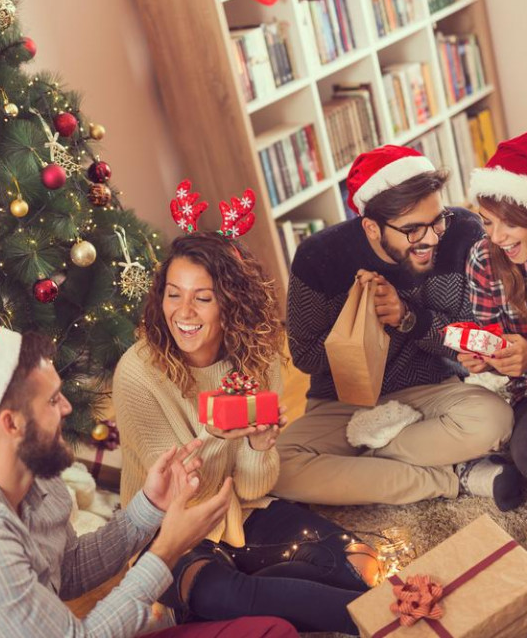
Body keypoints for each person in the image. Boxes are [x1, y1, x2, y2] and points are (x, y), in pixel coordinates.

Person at [0, 323, 299, 638]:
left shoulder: (34, 476)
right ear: (12, 423)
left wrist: (151, 506)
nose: (68, 407)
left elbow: (68, 570)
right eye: (53, 399)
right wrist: (168, 548)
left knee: (272, 630)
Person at [114, 226, 379, 636]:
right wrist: (219, 432)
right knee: (227, 594)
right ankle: (389, 618)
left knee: (357, 563)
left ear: (231, 303)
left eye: (202, 298)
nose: (183, 312)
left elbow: (254, 487)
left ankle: (266, 593)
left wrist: (257, 446)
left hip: (243, 510)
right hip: (171, 531)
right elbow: (180, 487)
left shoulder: (257, 357)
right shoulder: (137, 372)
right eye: (173, 293)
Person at [273, 144, 524, 511]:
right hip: (345, 403)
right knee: (277, 467)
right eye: (412, 230)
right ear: (372, 227)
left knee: (495, 422)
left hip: (433, 392)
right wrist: (358, 320)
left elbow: (466, 337)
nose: (431, 238)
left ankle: (365, 460)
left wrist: (409, 318)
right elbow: (306, 357)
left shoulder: (461, 234)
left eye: (437, 220)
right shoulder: (319, 257)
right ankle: (448, 476)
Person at [461, 132, 527, 482]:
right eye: (487, 221)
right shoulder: (484, 259)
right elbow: (506, 368)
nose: (497, 236)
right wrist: (490, 358)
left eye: (510, 222)